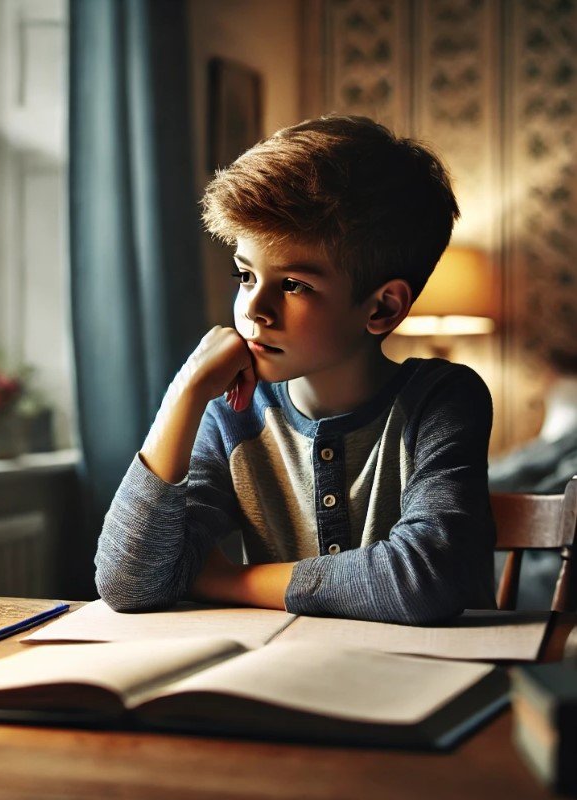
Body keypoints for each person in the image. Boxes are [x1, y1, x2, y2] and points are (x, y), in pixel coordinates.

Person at [95, 115, 496, 624]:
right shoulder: (232, 416)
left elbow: (427, 580)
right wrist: (187, 390)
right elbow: (129, 583)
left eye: (294, 285)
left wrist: (224, 579)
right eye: (246, 275)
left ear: (382, 309)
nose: (253, 310)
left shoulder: (443, 399)